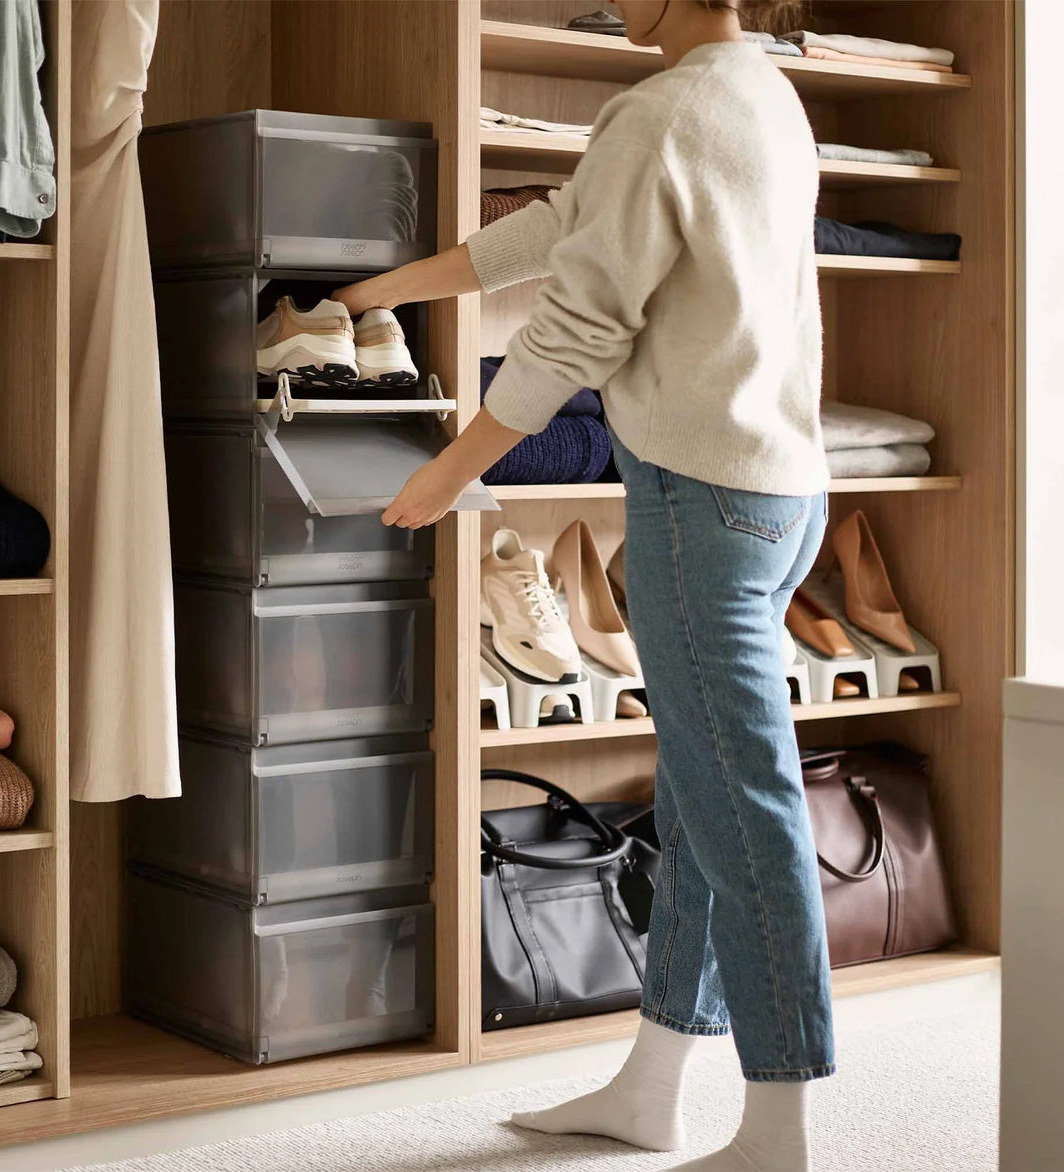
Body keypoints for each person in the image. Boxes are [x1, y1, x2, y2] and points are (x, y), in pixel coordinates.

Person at [337, 0, 826, 1168]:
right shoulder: (760, 91)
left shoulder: (658, 110)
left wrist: (444, 471)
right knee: (709, 806)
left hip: (696, 506)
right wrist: (377, 295)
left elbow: (572, 331)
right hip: (778, 496)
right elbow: (561, 227)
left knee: (746, 817)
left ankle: (778, 1132)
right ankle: (651, 1088)